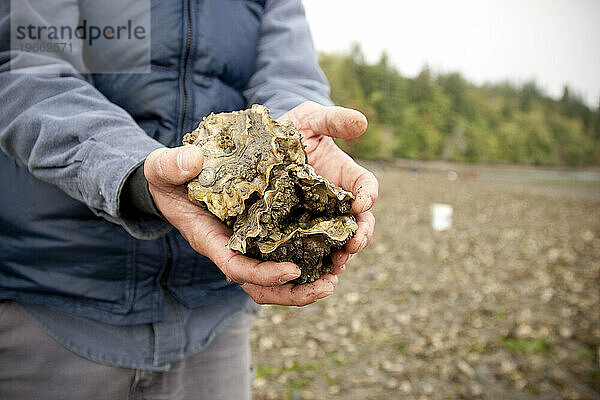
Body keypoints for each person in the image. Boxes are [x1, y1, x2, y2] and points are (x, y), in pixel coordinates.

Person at [0, 1, 378, 399]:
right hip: (54, 306)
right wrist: (132, 170)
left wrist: (292, 140)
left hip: (213, 318)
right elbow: (28, 69)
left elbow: (289, 76)